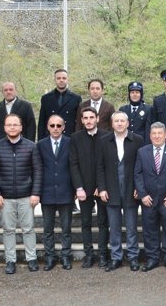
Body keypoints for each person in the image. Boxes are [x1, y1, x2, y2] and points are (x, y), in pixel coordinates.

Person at [0, 113, 43, 275]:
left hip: (27, 196)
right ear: (4, 128)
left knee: (28, 229)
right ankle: (10, 260)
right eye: (9, 125)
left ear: (21, 127)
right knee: (8, 230)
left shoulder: (31, 146)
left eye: (15, 124)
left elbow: (38, 170)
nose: (12, 127)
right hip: (5, 197)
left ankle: (31, 258)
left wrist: (35, 193)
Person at [97, 111, 144, 272]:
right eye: (116, 121)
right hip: (111, 190)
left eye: (122, 121)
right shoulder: (104, 141)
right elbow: (100, 167)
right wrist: (102, 188)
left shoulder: (137, 140)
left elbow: (142, 166)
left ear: (127, 123)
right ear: (112, 124)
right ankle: (116, 257)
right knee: (114, 227)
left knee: (131, 227)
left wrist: (140, 188)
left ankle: (133, 257)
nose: (119, 123)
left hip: (131, 189)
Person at [135, 122, 166, 272]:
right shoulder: (142, 152)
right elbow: (137, 174)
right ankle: (152, 259)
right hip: (148, 199)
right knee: (150, 230)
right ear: (150, 136)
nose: (157, 136)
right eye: (154, 134)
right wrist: (142, 194)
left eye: (159, 133)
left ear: (165, 135)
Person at [69, 106, 110, 268]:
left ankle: (103, 254)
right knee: (85, 222)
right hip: (84, 189)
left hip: (102, 188)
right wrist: (78, 187)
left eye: (91, 117)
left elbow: (108, 164)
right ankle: (88, 255)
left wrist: (102, 186)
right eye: (85, 118)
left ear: (97, 119)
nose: (88, 121)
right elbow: (73, 164)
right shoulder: (75, 138)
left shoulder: (107, 136)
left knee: (102, 222)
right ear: (81, 120)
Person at [37, 115, 74, 271]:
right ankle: (50, 257)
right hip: (47, 192)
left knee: (66, 228)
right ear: (47, 126)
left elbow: (74, 166)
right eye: (52, 125)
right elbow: (37, 169)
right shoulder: (40, 145)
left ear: (63, 127)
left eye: (59, 125)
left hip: (66, 191)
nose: (55, 128)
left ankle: (66, 256)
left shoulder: (71, 143)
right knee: (48, 229)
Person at [38, 68, 82, 138]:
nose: (61, 80)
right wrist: (40, 141)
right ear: (55, 80)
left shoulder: (76, 98)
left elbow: (79, 123)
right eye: (58, 78)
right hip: (50, 138)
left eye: (64, 78)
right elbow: (42, 122)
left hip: (69, 137)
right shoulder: (46, 98)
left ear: (68, 80)